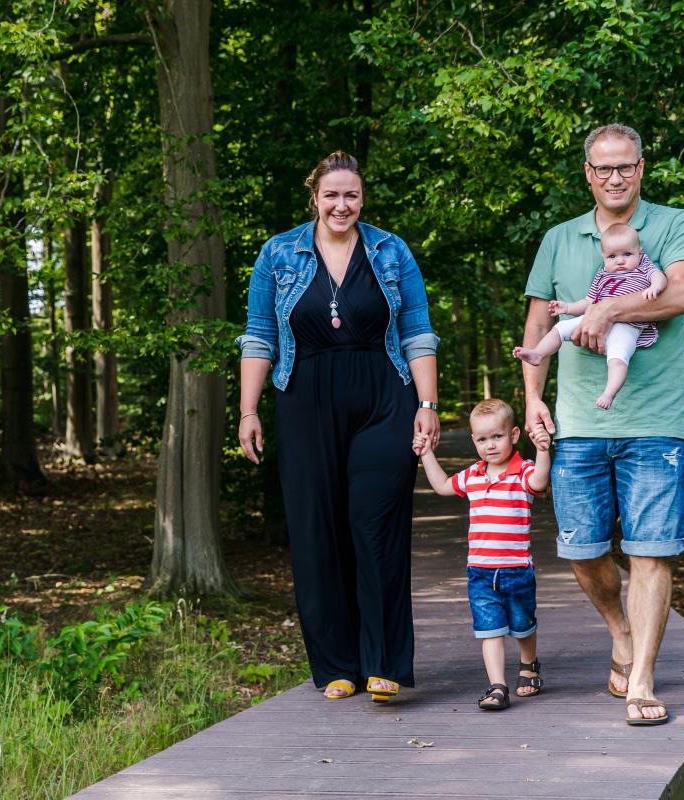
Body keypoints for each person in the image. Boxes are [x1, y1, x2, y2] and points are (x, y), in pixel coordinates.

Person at [234, 151, 441, 703]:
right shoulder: (278, 252)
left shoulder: (391, 250)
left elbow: (418, 331)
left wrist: (428, 403)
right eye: (332, 195)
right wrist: (248, 411)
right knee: (315, 529)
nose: (341, 205)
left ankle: (384, 662)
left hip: (384, 395)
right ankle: (337, 665)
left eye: (351, 195)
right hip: (303, 399)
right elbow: (259, 336)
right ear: (315, 197)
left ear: (362, 198)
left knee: (376, 526)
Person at [520, 124, 684, 726]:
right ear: (588, 174)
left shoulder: (673, 223)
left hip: (657, 419)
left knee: (651, 550)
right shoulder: (558, 239)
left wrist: (608, 306)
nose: (615, 178)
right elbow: (536, 326)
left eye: (625, 166)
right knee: (583, 548)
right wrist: (531, 399)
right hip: (577, 421)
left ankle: (643, 681)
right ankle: (619, 629)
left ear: (642, 168)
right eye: (603, 169)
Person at [413, 399, 551, 711]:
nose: (490, 445)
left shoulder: (523, 472)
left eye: (497, 437)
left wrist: (543, 450)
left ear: (514, 435)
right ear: (474, 440)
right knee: (490, 629)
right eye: (482, 439)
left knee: (523, 624)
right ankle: (498, 685)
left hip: (516, 569)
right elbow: (442, 486)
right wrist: (427, 454)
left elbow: (540, 481)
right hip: (480, 571)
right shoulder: (473, 475)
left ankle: (529, 665)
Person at [513, 223, 666, 409]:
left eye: (627, 254)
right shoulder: (602, 275)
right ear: (604, 258)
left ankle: (609, 393)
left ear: (639, 254)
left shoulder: (643, 267)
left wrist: (655, 287)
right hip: (594, 318)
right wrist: (567, 308)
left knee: (618, 356)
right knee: (560, 328)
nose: (620, 261)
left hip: (628, 325)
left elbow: (659, 276)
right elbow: (588, 302)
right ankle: (538, 354)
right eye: (612, 256)